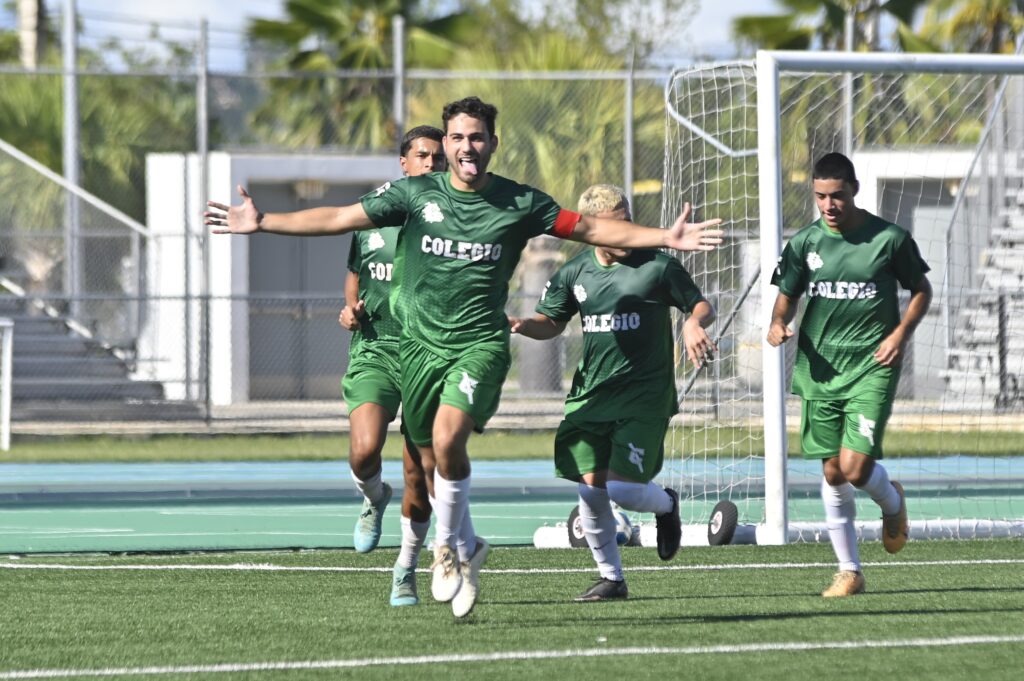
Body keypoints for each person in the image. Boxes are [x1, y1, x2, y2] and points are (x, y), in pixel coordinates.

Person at [205, 96, 724, 617]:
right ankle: (468, 546)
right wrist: (264, 220)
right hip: (418, 350)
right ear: (447, 144)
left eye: (477, 137)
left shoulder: (519, 202)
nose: (466, 147)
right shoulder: (413, 195)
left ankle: (446, 550)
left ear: (493, 143)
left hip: (479, 345)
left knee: (449, 437)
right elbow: (341, 216)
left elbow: (589, 229)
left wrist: (663, 237)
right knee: (431, 458)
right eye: (457, 137)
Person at [510, 184, 716, 601]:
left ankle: (666, 505)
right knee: (589, 489)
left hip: (645, 394)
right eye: (615, 226)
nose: (626, 233)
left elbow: (701, 305)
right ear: (592, 230)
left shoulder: (657, 266)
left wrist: (693, 323)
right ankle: (612, 579)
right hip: (592, 396)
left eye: (628, 222)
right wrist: (520, 325)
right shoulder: (573, 272)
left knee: (621, 490)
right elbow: (550, 322)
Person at [767, 152, 931, 598]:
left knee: (855, 467)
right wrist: (777, 324)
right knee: (833, 472)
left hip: (872, 368)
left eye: (836, 195)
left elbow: (921, 290)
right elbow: (786, 298)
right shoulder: (804, 244)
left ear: (854, 190)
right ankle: (849, 571)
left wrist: (900, 334)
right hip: (819, 372)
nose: (828, 205)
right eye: (820, 196)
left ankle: (892, 503)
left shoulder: (890, 240)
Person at [336, 125, 446, 607]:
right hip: (377, 348)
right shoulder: (371, 217)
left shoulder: (454, 224)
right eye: (422, 155)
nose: (431, 163)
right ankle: (373, 496)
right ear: (403, 163)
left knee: (420, 473)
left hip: (429, 352)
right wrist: (349, 309)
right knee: (363, 451)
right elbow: (354, 276)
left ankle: (405, 567)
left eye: (437, 158)